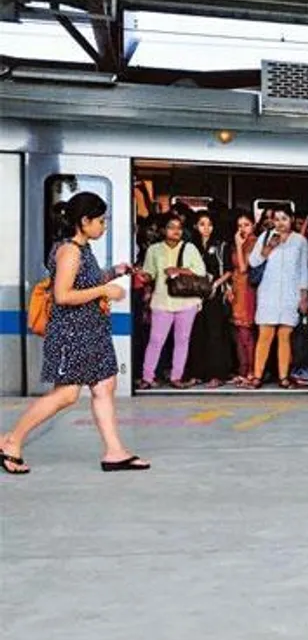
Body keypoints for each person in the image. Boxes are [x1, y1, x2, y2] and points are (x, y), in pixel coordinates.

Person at [1, 193, 150, 474]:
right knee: (67, 395)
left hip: (92, 332)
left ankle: (115, 452)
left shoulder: (82, 249)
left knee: (105, 386)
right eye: (100, 220)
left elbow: (85, 280)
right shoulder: (69, 251)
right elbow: (63, 295)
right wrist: (106, 291)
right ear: (84, 221)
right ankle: (12, 441)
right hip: (73, 334)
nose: (104, 226)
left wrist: (116, 272)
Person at [136, 213, 207, 390]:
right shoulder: (154, 250)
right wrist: (140, 275)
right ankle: (147, 377)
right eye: (171, 227)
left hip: (187, 301)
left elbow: (201, 271)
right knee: (156, 340)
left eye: (179, 228)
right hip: (161, 300)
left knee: (182, 340)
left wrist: (179, 270)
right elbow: (149, 274)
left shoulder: (189, 248)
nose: (176, 231)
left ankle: (177, 377)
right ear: (162, 230)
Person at [247, 204, 308, 389]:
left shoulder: (300, 241)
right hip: (268, 293)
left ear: (291, 219)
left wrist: (304, 295)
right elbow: (253, 262)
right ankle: (257, 376)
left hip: (290, 295)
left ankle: (283, 377)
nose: (281, 223)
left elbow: (303, 270)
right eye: (277, 219)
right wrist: (268, 248)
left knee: (285, 335)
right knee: (265, 335)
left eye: (284, 219)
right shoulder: (265, 237)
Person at [186, 211, 234, 387]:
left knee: (215, 334)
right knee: (197, 333)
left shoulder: (221, 246)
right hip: (195, 296)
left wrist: (215, 285)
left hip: (215, 295)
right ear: (195, 226)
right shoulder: (190, 246)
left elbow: (229, 270)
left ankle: (217, 374)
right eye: (202, 224)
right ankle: (197, 373)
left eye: (210, 224)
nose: (206, 228)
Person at [226, 210, 258, 386]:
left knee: (246, 332)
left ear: (253, 226)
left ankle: (252, 371)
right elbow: (234, 269)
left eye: (246, 225)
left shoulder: (253, 243)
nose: (243, 229)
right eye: (239, 226)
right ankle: (242, 369)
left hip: (247, 289)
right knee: (237, 333)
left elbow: (244, 267)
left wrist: (239, 245)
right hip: (237, 288)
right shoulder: (237, 243)